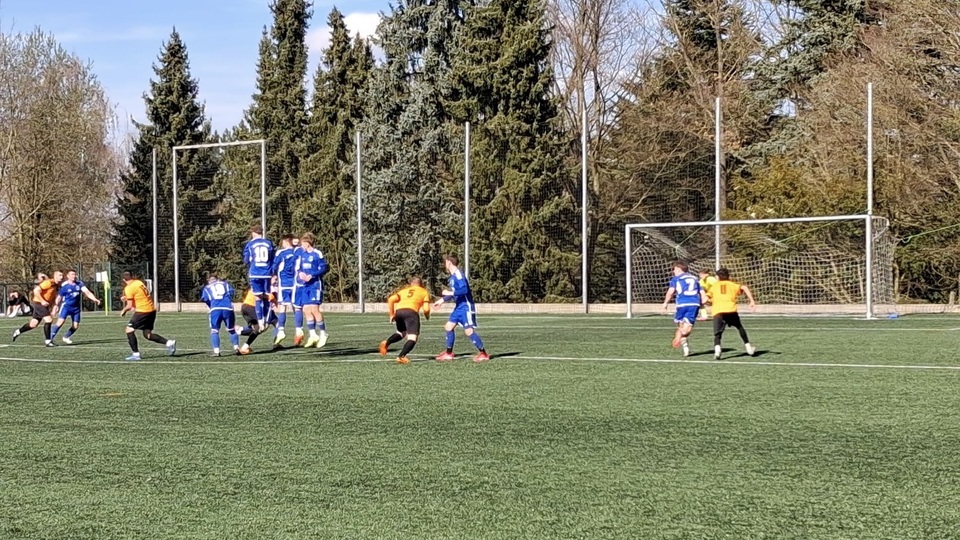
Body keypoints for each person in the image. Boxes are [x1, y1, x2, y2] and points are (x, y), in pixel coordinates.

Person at [432, 255, 489, 362]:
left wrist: (449, 293)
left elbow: (464, 290)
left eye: (445, 262)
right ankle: (448, 353)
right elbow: (455, 293)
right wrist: (441, 301)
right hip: (459, 307)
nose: (445, 264)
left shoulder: (458, 275)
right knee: (448, 327)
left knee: (468, 331)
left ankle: (483, 354)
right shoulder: (452, 277)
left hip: (466, 307)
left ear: (449, 262)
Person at [120, 271, 176, 361]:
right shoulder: (139, 283)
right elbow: (139, 296)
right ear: (132, 276)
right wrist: (127, 298)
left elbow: (129, 306)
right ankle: (169, 343)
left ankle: (136, 354)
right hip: (151, 310)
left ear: (123, 280)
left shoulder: (129, 288)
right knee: (147, 335)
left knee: (129, 330)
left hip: (143, 311)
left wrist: (124, 310)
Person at [707, 267, 757, 360]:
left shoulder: (714, 286)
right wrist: (752, 301)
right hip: (730, 310)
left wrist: (706, 301)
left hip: (718, 311)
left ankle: (717, 351)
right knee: (739, 328)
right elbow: (744, 287)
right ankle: (749, 348)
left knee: (717, 333)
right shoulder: (732, 284)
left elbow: (707, 299)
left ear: (718, 277)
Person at [380, 277, 432, 364]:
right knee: (412, 337)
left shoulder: (404, 291)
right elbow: (426, 309)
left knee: (401, 332)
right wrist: (427, 316)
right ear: (421, 284)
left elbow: (391, 299)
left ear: (411, 284)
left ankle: (386, 342)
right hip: (411, 313)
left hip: (399, 312)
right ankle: (401, 356)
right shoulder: (424, 292)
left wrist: (392, 314)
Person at [661, 260, 706, 357]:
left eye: (674, 269)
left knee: (681, 327)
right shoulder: (694, 278)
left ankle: (680, 335)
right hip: (694, 304)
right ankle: (686, 348)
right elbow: (702, 292)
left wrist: (665, 303)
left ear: (678, 268)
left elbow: (671, 291)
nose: (673, 271)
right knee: (686, 329)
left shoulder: (676, 279)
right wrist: (703, 302)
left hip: (681, 304)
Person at [49, 269, 102, 345]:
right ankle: (50, 339)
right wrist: (56, 306)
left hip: (76, 308)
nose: (74, 276)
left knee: (75, 326)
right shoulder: (64, 285)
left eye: (74, 274)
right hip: (66, 307)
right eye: (72, 274)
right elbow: (59, 297)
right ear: (68, 276)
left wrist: (95, 299)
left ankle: (66, 337)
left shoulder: (79, 284)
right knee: (60, 322)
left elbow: (87, 292)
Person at [294, 232, 329, 348]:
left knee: (314, 309)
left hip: (315, 285)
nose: (301, 245)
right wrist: (301, 274)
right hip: (305, 285)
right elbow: (299, 268)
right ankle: (313, 334)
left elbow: (324, 268)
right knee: (306, 309)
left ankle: (323, 333)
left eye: (302, 243)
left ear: (307, 243)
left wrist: (312, 275)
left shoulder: (316, 253)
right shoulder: (302, 254)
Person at [13, 271, 63, 344]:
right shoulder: (49, 282)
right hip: (38, 303)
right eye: (60, 275)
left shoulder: (57, 285)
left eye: (62, 275)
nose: (61, 277)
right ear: (55, 276)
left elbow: (52, 296)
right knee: (49, 320)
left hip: (44, 305)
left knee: (33, 324)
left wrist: (54, 305)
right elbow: (36, 290)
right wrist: (42, 301)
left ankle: (18, 331)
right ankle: (48, 341)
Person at [201, 273, 240, 357]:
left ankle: (216, 351)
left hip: (215, 309)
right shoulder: (225, 284)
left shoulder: (207, 288)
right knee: (231, 329)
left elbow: (205, 298)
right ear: (217, 279)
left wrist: (211, 305)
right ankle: (236, 348)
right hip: (228, 308)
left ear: (208, 280)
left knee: (214, 330)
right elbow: (231, 292)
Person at [243, 223, 274, 328]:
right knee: (266, 296)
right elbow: (272, 258)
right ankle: (266, 319)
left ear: (253, 233)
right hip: (267, 273)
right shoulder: (268, 243)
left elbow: (246, 260)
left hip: (255, 273)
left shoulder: (250, 244)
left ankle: (260, 321)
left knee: (257, 297)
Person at [270, 234, 297, 346]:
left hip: (284, 284)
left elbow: (274, 266)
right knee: (297, 308)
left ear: (286, 241)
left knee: (282, 307)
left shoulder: (281, 253)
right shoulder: (297, 252)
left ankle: (281, 330)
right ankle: (299, 331)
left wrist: (273, 275)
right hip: (295, 284)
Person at [236, 287, 278, 355]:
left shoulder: (258, 284)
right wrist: (276, 301)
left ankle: (239, 330)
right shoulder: (265, 285)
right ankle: (244, 347)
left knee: (257, 328)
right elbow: (269, 296)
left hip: (246, 307)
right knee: (259, 328)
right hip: (251, 307)